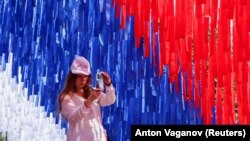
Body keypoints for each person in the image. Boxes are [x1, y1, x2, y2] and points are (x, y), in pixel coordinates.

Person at [58, 55, 116, 141]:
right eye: (79, 76)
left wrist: (108, 84)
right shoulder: (66, 97)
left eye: (85, 76)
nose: (83, 80)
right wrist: (89, 101)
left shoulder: (91, 91)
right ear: (73, 77)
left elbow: (110, 100)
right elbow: (73, 118)